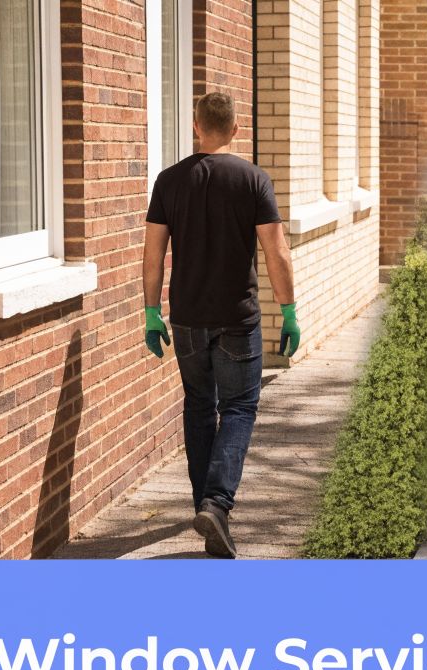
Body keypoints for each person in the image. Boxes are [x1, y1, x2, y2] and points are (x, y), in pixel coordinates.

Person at [142, 92, 299, 559]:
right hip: (237, 319)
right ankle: (216, 504)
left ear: (196, 127)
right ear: (235, 129)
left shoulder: (168, 182)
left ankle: (206, 508)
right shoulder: (253, 179)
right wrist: (288, 310)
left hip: (187, 317)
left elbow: (153, 256)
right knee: (238, 408)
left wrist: (151, 312)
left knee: (197, 407)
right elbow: (277, 252)